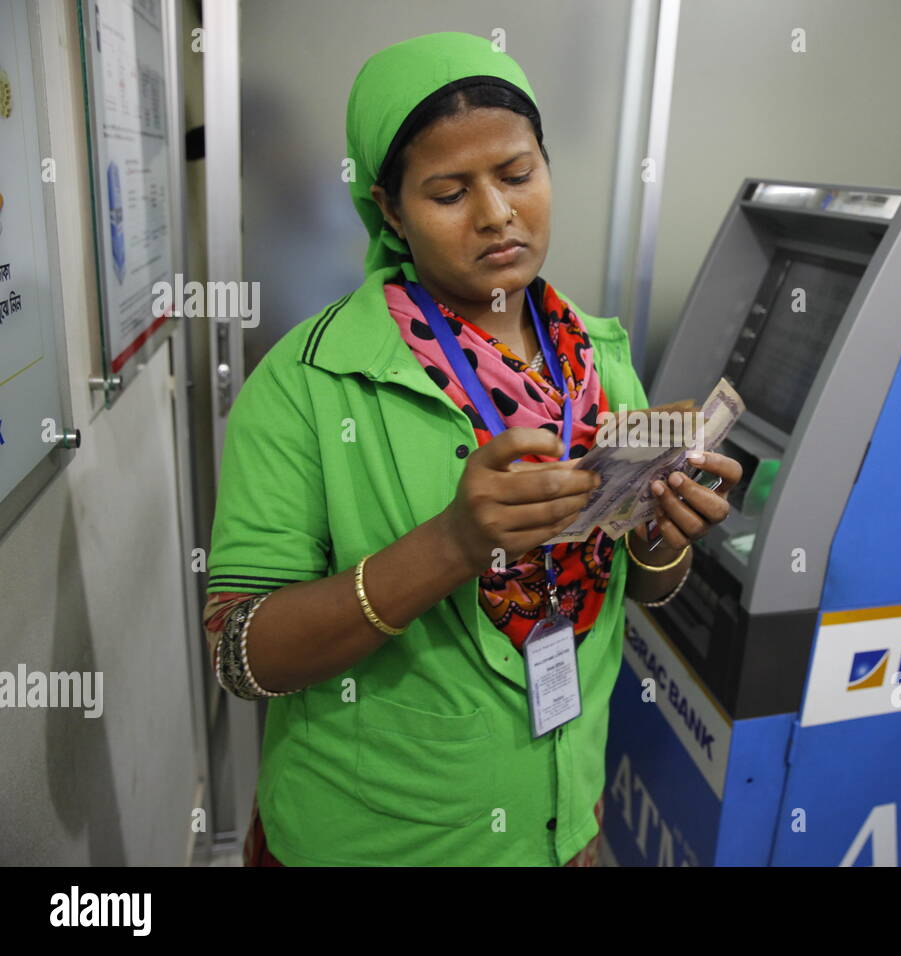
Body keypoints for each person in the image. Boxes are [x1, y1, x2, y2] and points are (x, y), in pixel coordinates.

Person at [201, 31, 740, 866]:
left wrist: (662, 533)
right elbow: (242, 654)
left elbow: (640, 585)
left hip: (562, 825)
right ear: (389, 210)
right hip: (378, 847)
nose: (496, 214)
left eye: (518, 175)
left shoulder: (596, 357)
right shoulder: (309, 384)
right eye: (449, 192)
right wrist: (451, 546)